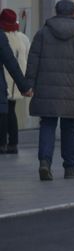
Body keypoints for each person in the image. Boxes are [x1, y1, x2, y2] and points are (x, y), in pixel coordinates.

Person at [28, 0, 74, 181]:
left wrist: (30, 83)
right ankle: (69, 167)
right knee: (69, 126)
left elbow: (33, 59)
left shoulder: (43, 32)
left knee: (48, 124)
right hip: (72, 87)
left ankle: (44, 162)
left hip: (46, 86)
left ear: (56, 11)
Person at [0, 9, 29, 153]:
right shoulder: (22, 38)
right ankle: (13, 143)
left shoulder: (3, 36)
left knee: (4, 111)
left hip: (5, 77)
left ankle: (3, 143)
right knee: (11, 111)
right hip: (17, 79)